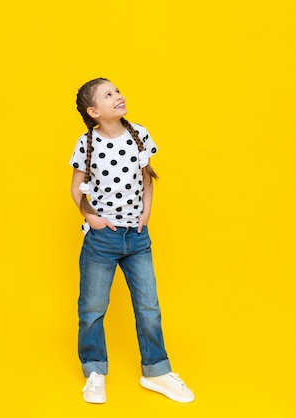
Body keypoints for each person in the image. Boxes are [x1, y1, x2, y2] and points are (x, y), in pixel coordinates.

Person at [69, 77, 194, 404]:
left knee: (149, 306)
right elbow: (75, 187)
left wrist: (146, 213)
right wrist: (91, 217)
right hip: (102, 240)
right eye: (109, 95)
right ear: (94, 111)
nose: (118, 96)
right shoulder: (86, 144)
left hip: (137, 237)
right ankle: (95, 371)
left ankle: (156, 370)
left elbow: (147, 180)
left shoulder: (139, 135)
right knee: (93, 308)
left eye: (118, 90)